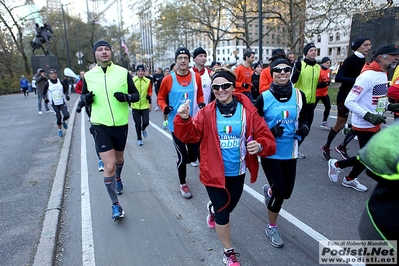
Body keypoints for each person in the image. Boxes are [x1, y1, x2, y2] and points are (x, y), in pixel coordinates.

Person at [174, 67, 276, 266]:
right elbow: (190, 136)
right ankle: (228, 252)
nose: (221, 90)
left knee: (229, 208)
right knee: (223, 213)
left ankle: (212, 210)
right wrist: (185, 119)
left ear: (233, 86)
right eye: (216, 87)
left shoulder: (248, 110)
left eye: (226, 85)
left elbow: (266, 137)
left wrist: (260, 144)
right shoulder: (206, 113)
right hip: (213, 172)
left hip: (237, 171)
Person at [327, 44, 399, 192]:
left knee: (368, 155)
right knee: (371, 155)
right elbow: (349, 101)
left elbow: (378, 98)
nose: (397, 58)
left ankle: (349, 177)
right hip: (364, 124)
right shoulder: (367, 76)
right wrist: (368, 115)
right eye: (393, 55)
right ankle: (338, 166)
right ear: (381, 57)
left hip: (375, 121)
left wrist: (388, 107)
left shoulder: (382, 73)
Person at [82, 40, 139, 221]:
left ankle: (119, 178)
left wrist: (126, 97)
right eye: (100, 50)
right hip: (100, 124)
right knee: (109, 165)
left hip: (120, 124)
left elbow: (136, 95)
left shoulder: (122, 72)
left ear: (111, 53)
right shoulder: (89, 76)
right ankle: (115, 205)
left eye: (107, 49)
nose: (104, 52)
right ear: (95, 54)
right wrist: (87, 99)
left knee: (119, 159)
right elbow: (83, 96)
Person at [255, 57, 308, 248]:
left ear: (291, 71)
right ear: (271, 73)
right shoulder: (263, 98)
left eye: (286, 69)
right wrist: (269, 132)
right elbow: (254, 126)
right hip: (270, 152)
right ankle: (271, 226)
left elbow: (306, 117)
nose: (283, 73)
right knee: (280, 192)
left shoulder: (299, 95)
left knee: (287, 193)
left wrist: (304, 127)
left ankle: (268, 191)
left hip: (291, 151)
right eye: (278, 70)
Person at [157, 47, 204, 199]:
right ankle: (183, 183)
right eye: (180, 58)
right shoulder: (168, 79)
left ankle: (182, 159)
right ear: (176, 61)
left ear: (189, 60)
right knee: (183, 157)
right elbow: (160, 98)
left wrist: (202, 104)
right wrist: (165, 107)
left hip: (192, 123)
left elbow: (200, 95)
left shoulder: (195, 77)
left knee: (193, 156)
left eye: (185, 58)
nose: (183, 60)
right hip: (175, 124)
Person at [320, 37, 372, 161]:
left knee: (359, 123)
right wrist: (357, 81)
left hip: (358, 96)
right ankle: (326, 147)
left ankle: (342, 146)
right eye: (366, 45)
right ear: (358, 46)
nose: (369, 48)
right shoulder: (350, 60)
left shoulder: (364, 60)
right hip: (345, 96)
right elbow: (338, 78)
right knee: (340, 124)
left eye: (370, 45)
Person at [357, 123, 399, 252]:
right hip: (385, 228)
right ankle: (341, 167)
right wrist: (367, 115)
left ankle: (340, 166)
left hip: (379, 216)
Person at [291, 43, 321, 158]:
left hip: (312, 103)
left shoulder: (318, 67)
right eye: (311, 50)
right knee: (297, 128)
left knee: (306, 130)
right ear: (306, 53)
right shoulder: (300, 64)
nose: (313, 52)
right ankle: (292, 148)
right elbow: (292, 81)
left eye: (315, 50)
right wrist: (297, 70)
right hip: (299, 102)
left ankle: (296, 148)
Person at [42, 69, 70, 137]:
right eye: (52, 74)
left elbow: (66, 89)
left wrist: (67, 95)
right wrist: (45, 99)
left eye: (55, 73)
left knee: (66, 115)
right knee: (58, 117)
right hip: (54, 103)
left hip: (62, 101)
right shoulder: (47, 83)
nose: (54, 75)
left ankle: (64, 121)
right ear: (49, 75)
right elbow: (43, 93)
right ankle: (59, 130)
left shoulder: (60, 82)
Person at [131, 64, 152, 146]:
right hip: (135, 105)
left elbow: (150, 91)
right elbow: (129, 90)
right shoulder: (132, 80)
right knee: (137, 123)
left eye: (142, 71)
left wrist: (149, 98)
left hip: (144, 105)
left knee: (146, 122)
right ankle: (139, 138)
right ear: (136, 72)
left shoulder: (148, 81)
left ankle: (143, 128)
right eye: (139, 71)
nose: (140, 73)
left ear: (144, 72)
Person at [316, 57, 332, 129]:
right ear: (323, 63)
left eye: (329, 63)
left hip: (324, 93)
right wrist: (321, 84)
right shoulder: (318, 70)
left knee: (328, 106)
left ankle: (324, 121)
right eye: (327, 63)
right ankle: (305, 120)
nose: (328, 64)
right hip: (317, 93)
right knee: (311, 108)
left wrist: (327, 83)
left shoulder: (328, 70)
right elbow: (315, 82)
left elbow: (328, 79)